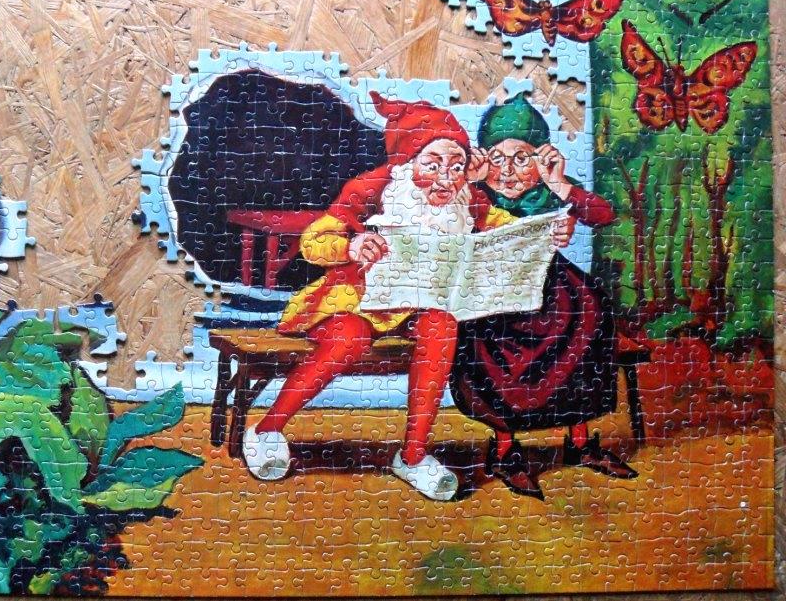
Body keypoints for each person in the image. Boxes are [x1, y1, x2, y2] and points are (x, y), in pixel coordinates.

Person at [243, 92, 566, 501]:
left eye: (457, 166)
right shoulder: (375, 188)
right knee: (350, 337)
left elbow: (507, 228)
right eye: (433, 165)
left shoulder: (468, 199)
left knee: (441, 326)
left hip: (421, 305)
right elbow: (314, 241)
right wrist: (350, 247)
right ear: (408, 162)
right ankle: (267, 429)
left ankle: (412, 456)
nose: (446, 178)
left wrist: (548, 232)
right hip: (357, 301)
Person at [450, 95, 637, 500]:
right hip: (491, 294)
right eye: (496, 158)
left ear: (544, 158)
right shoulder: (473, 194)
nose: (508, 171)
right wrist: (469, 181)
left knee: (590, 313)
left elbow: (603, 215)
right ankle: (505, 450)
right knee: (487, 341)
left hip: (552, 289)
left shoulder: (552, 192)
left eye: (522, 158)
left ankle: (580, 441)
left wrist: (560, 186)